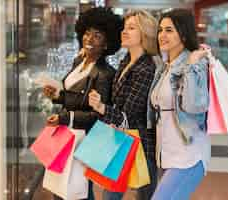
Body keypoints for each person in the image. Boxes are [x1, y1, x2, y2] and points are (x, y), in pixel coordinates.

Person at [43, 7, 123, 200]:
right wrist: (57, 96)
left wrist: (65, 117)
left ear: (107, 44)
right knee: (60, 189)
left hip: (82, 139)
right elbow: (74, 97)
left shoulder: (105, 74)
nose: (89, 38)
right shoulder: (79, 62)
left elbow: (97, 116)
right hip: (65, 135)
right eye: (87, 33)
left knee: (76, 191)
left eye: (97, 36)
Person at [88, 9, 158, 200]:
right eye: (124, 28)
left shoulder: (146, 68)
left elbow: (129, 116)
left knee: (144, 195)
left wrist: (102, 107)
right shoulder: (126, 60)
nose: (124, 32)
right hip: (121, 140)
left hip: (141, 145)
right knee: (110, 195)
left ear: (145, 33)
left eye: (131, 28)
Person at [147, 9, 211, 200]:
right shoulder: (164, 67)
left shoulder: (196, 64)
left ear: (183, 33)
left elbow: (194, 106)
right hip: (166, 154)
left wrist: (190, 66)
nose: (162, 35)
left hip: (188, 155)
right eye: (160, 30)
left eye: (169, 30)